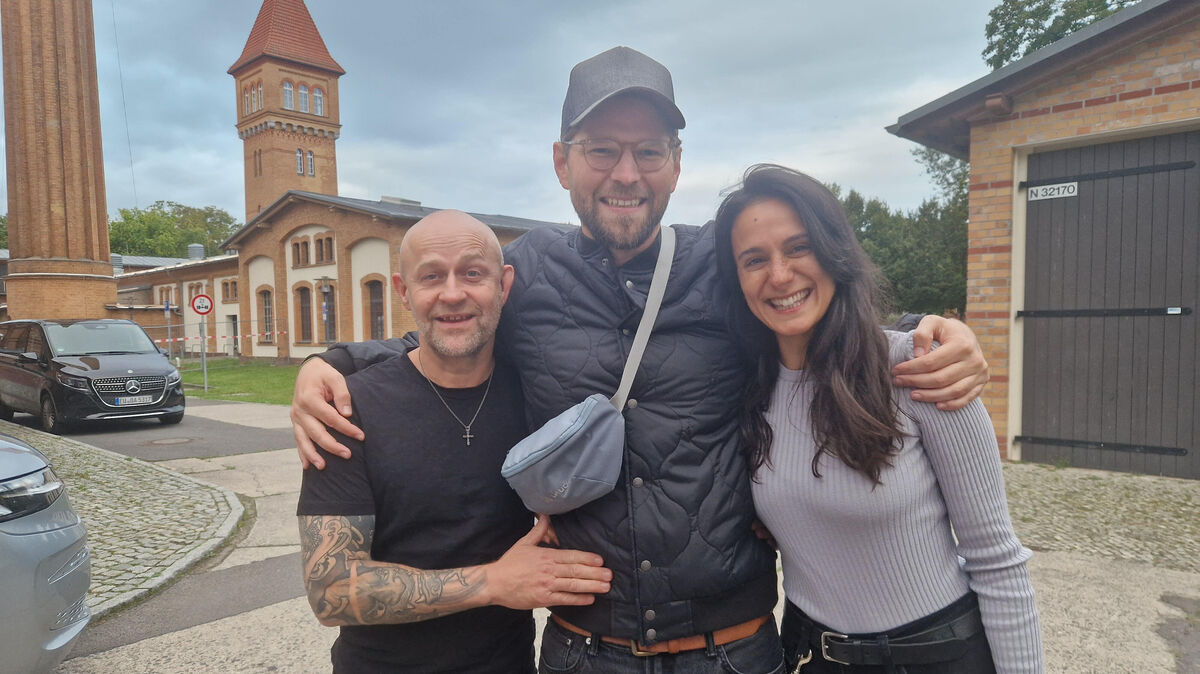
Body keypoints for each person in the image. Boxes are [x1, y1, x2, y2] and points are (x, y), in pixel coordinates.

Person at [292, 47, 990, 673]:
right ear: (562, 161)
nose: (626, 175)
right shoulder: (527, 271)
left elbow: (816, 308)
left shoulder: (722, 266)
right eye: (601, 150)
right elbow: (453, 314)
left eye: (649, 152)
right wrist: (334, 359)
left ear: (676, 165)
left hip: (732, 649)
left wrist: (930, 330)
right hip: (585, 651)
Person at [714, 164, 1042, 673]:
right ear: (735, 280)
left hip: (936, 657)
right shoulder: (746, 393)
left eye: (799, 248)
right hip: (808, 655)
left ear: (835, 252)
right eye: (754, 259)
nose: (779, 275)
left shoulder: (922, 370)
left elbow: (996, 561)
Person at [296, 210, 612, 673]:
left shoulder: (538, 396)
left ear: (503, 285)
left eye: (472, 273)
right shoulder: (345, 408)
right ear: (404, 292)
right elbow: (331, 592)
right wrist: (493, 583)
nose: (452, 293)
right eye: (431, 276)